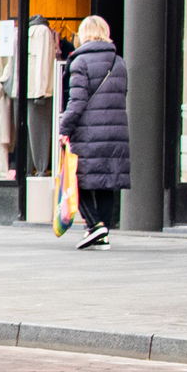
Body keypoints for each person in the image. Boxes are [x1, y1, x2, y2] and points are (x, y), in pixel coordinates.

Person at [57, 15, 130, 249]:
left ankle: (95, 225)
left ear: (83, 34)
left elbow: (76, 102)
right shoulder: (118, 62)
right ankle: (102, 233)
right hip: (116, 131)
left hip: (88, 131)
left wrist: (64, 128)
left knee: (78, 179)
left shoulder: (80, 62)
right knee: (107, 181)